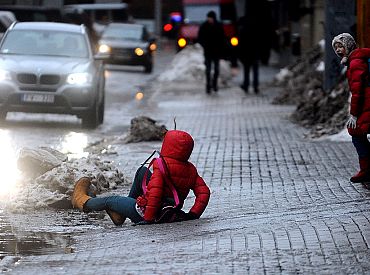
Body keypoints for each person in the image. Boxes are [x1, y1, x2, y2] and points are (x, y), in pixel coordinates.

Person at [71, 129, 211, 225]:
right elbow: (204, 193)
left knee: (110, 200)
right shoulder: (190, 169)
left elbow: (155, 193)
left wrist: (148, 219)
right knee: (142, 171)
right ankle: (120, 214)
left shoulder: (161, 165)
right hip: (168, 210)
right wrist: (193, 215)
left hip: (147, 212)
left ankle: (82, 201)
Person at [332, 33, 370, 183]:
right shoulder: (357, 59)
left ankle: (366, 170)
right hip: (366, 104)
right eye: (335, 47)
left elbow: (358, 90)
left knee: (356, 131)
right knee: (358, 133)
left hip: (367, 104)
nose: (338, 50)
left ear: (349, 45)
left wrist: (354, 114)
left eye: (341, 46)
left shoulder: (355, 63)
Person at [237, 1, 273, 94]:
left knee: (247, 71)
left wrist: (240, 55)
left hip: (246, 54)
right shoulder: (257, 29)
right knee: (255, 71)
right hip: (254, 53)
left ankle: (246, 85)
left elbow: (240, 45)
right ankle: (255, 86)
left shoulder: (243, 31)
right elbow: (261, 42)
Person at [197, 11, 226, 94]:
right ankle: (208, 85)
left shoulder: (218, 26)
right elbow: (200, 37)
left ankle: (215, 84)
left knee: (216, 69)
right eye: (208, 17)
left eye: (210, 18)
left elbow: (222, 38)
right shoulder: (204, 26)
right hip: (208, 52)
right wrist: (204, 45)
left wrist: (221, 49)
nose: (209, 19)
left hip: (216, 52)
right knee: (208, 70)